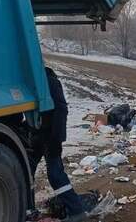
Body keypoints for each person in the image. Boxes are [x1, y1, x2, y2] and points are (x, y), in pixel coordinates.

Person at [26, 67, 92, 222]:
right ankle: (28, 210)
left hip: (50, 136)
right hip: (36, 136)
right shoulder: (34, 82)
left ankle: (77, 212)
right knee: (26, 173)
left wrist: (57, 139)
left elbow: (61, 110)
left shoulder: (50, 81)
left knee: (55, 174)